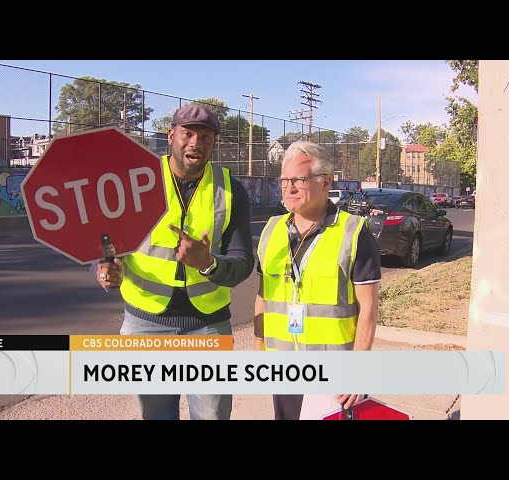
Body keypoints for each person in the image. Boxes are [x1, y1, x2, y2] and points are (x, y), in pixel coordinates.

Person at [94, 104, 254, 420]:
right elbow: (105, 246)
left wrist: (207, 262)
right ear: (171, 136)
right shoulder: (135, 182)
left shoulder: (231, 189)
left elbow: (243, 261)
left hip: (207, 326)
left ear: (214, 142)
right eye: (188, 133)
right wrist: (106, 269)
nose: (196, 143)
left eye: (206, 136)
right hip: (145, 323)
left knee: (212, 416)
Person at [253, 140, 381, 420]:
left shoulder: (354, 232)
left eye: (299, 179)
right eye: (284, 180)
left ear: (325, 182)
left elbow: (369, 310)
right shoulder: (271, 230)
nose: (289, 187)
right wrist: (259, 350)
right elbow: (263, 296)